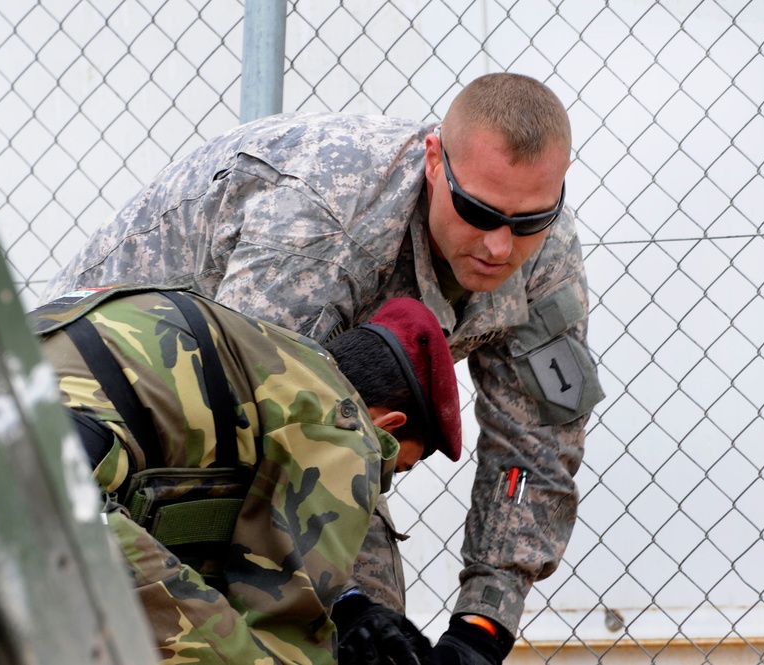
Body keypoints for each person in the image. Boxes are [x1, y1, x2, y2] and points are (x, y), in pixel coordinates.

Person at [41, 72, 605, 663]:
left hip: (284, 418)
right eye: (477, 211)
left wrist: (481, 628)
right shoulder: (327, 209)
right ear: (435, 161)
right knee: (235, 636)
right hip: (133, 417)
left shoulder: (545, 256)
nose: (499, 247)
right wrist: (348, 604)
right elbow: (259, 432)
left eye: (528, 222)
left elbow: (534, 451)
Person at [29, 285, 461, 664]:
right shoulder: (346, 429)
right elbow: (287, 628)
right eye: (394, 468)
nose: (377, 481)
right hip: (55, 486)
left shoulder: (272, 359)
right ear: (389, 426)